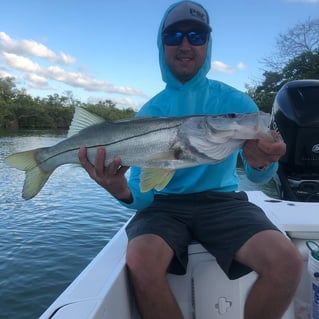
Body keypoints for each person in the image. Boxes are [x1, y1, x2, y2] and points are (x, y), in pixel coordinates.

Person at [78, 1, 303, 318]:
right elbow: (143, 198)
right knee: (140, 262)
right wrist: (120, 190)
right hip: (164, 206)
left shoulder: (236, 103)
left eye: (196, 36)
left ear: (208, 44)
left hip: (224, 202)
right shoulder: (150, 113)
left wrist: (261, 162)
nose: (185, 44)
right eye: (175, 35)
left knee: (287, 262)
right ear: (162, 44)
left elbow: (258, 179)